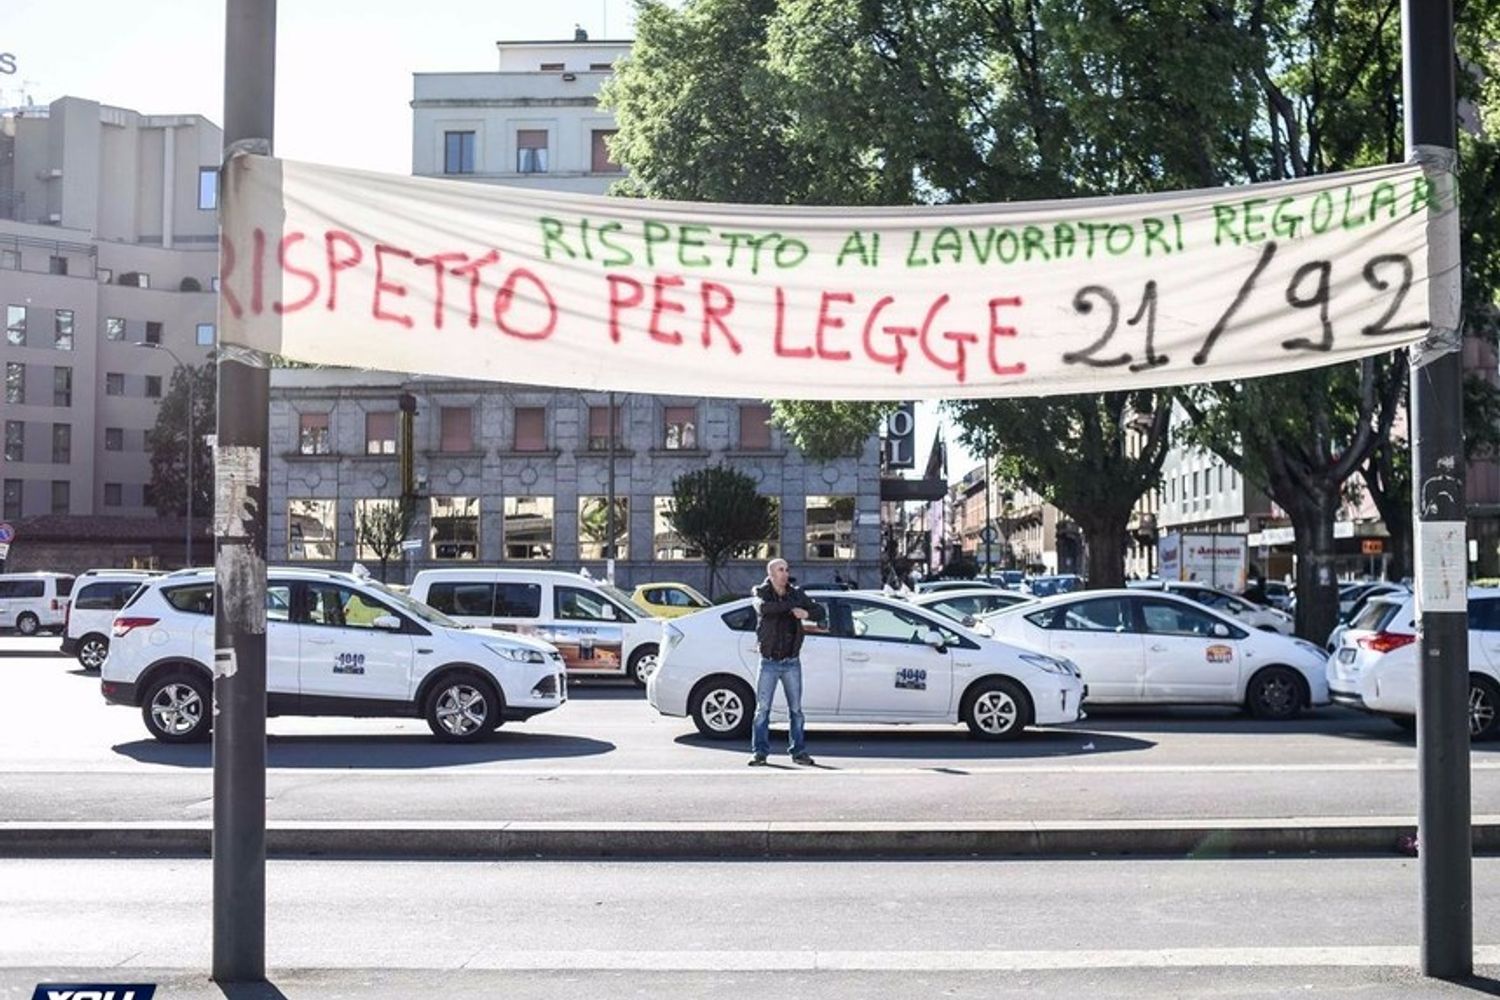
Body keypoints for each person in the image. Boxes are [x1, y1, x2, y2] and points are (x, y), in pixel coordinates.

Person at [750, 557, 825, 766]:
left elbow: (820, 611)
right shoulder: (760, 592)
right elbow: (764, 609)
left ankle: (799, 752)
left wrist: (806, 612)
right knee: (762, 710)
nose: (785, 573)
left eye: (786, 569)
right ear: (771, 574)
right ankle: (760, 753)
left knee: (796, 710)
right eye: (780, 570)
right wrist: (793, 606)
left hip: (791, 661)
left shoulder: (796, 592)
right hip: (769, 662)